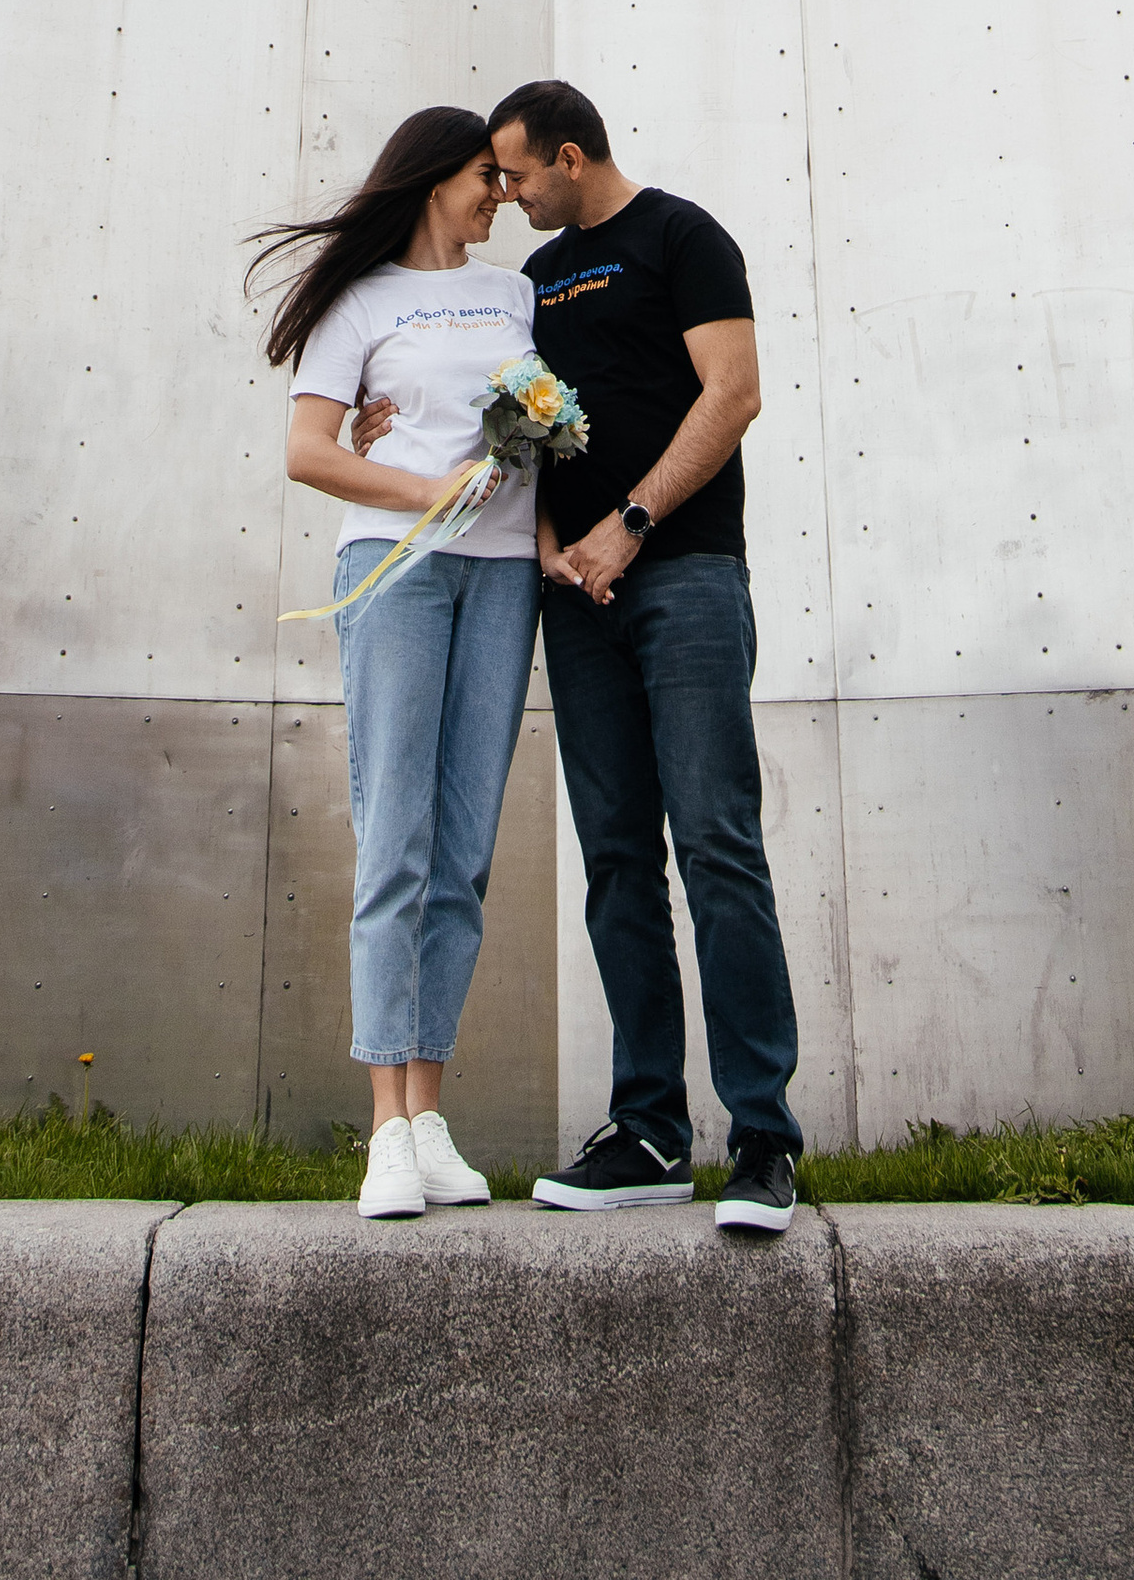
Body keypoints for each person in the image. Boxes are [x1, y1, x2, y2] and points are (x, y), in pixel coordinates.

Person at [493, 78, 804, 1236]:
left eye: (520, 174)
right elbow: (519, 425)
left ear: (572, 157)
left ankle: (763, 1137)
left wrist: (628, 525)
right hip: (576, 602)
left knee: (716, 843)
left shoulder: (681, 236)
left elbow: (734, 393)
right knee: (617, 857)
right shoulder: (532, 282)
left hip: (683, 581)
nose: (509, 193)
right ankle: (649, 1132)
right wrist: (548, 548)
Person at [252, 105, 542, 1222]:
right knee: (398, 841)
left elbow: (539, 431)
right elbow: (308, 451)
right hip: (399, 569)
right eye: (485, 177)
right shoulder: (362, 301)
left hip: (504, 574)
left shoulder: (515, 295)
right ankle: (382, 1128)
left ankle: (428, 1118)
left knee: (464, 849)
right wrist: (428, 491)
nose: (499, 197)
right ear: (434, 180)